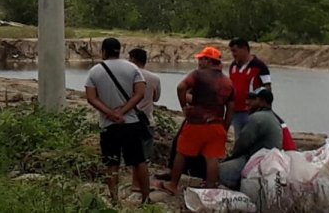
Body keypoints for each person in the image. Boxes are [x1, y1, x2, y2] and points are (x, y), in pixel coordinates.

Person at [159, 46, 235, 195]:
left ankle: (173, 185)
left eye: (201, 59)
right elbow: (231, 108)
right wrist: (225, 126)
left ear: (208, 60)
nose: (199, 62)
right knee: (212, 158)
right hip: (217, 124)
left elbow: (181, 87)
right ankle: (211, 189)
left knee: (182, 152)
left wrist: (184, 107)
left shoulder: (198, 75)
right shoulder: (228, 82)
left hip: (197, 123)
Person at [85, 38, 149, 205]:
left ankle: (114, 199)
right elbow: (140, 92)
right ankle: (146, 198)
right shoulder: (133, 67)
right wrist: (124, 111)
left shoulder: (95, 71)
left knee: (111, 163)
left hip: (109, 125)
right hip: (131, 123)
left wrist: (111, 113)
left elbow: (91, 98)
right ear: (119, 50)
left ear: (103, 51)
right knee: (139, 161)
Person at [220, 89, 284, 189]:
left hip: (257, 161)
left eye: (252, 99)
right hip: (270, 161)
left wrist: (230, 157)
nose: (247, 102)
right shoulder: (273, 118)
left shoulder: (257, 118)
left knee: (218, 171)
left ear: (262, 101)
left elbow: (243, 143)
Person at [127, 47, 162, 197]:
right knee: (145, 157)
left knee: (134, 154)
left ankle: (135, 183)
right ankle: (140, 184)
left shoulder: (127, 77)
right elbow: (156, 98)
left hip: (130, 119)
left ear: (134, 60)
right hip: (147, 120)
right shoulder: (154, 78)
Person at [228, 38, 272, 134]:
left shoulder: (260, 66)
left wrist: (265, 110)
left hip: (253, 112)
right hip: (236, 111)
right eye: (231, 51)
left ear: (244, 49)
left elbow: (268, 88)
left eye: (235, 51)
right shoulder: (233, 66)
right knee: (240, 141)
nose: (233, 54)